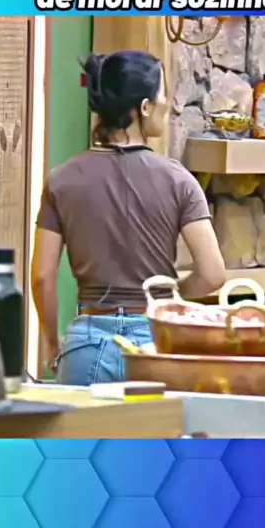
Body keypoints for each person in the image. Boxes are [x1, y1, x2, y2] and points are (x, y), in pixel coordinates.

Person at [31, 49, 226, 385]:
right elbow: (212, 274)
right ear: (144, 107)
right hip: (156, 343)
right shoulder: (179, 180)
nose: (168, 105)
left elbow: (42, 277)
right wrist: (168, 294)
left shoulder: (61, 180)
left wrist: (52, 342)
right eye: (163, 95)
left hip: (86, 346)